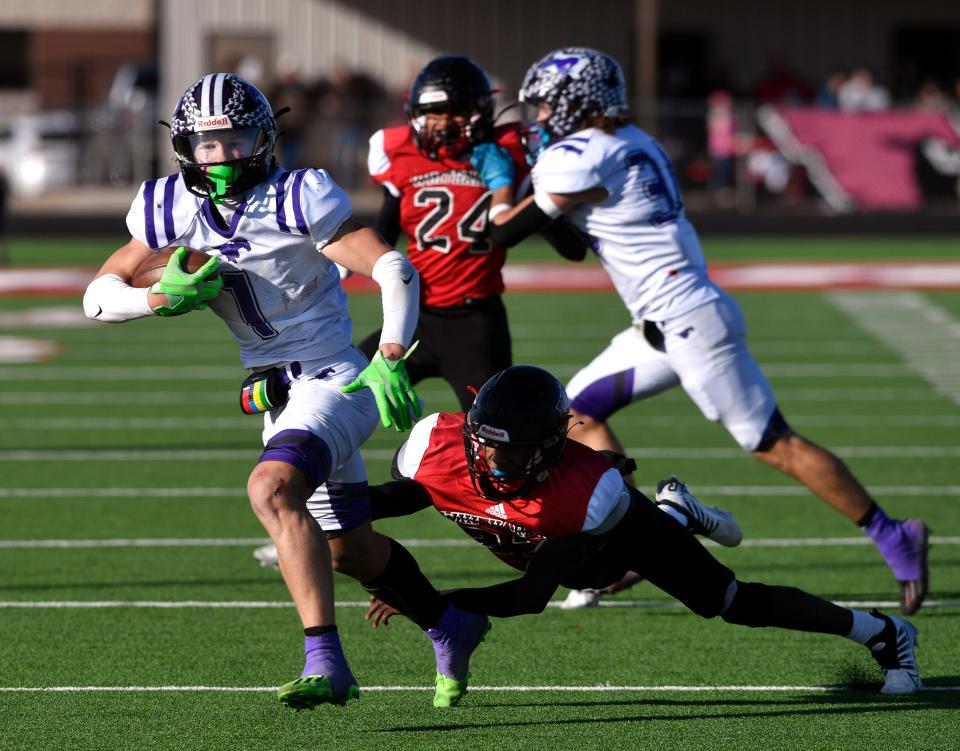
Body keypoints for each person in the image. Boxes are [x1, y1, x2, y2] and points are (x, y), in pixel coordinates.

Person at [467, 47, 929, 614]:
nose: (537, 120)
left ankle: (893, 534)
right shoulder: (632, 142)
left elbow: (503, 236)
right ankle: (635, 538)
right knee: (576, 415)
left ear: (572, 104)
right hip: (661, 325)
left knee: (773, 444)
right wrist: (525, 178)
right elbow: (568, 242)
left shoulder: (583, 153)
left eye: (543, 108)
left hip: (688, 321)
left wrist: (499, 181)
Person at [81, 72, 489, 710]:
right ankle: (451, 623)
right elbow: (98, 297)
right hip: (277, 391)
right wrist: (156, 298)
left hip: (335, 375)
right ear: (186, 148)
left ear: (265, 140)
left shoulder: (298, 195)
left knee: (270, 489)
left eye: (237, 141)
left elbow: (393, 267)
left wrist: (387, 355)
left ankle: (325, 660)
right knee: (346, 547)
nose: (222, 158)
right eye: (208, 145)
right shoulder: (168, 207)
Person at [365, 365, 923, 697]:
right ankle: (678, 511)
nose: (492, 462)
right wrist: (327, 501)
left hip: (619, 537)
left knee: (729, 602)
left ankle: (882, 633)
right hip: (569, 540)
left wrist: (433, 601)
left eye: (510, 453)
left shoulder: (582, 494)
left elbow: (533, 595)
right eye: (484, 444)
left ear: (549, 448)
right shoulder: (434, 443)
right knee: (604, 575)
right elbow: (405, 495)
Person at [253, 55, 588, 571]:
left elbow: (568, 246)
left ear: (477, 113)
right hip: (412, 321)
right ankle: (310, 525)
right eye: (432, 114)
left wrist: (537, 190)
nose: (441, 125)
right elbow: (382, 236)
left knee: (508, 445)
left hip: (475, 325)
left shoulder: (503, 157)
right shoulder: (398, 153)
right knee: (335, 395)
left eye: (454, 113)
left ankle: (562, 543)